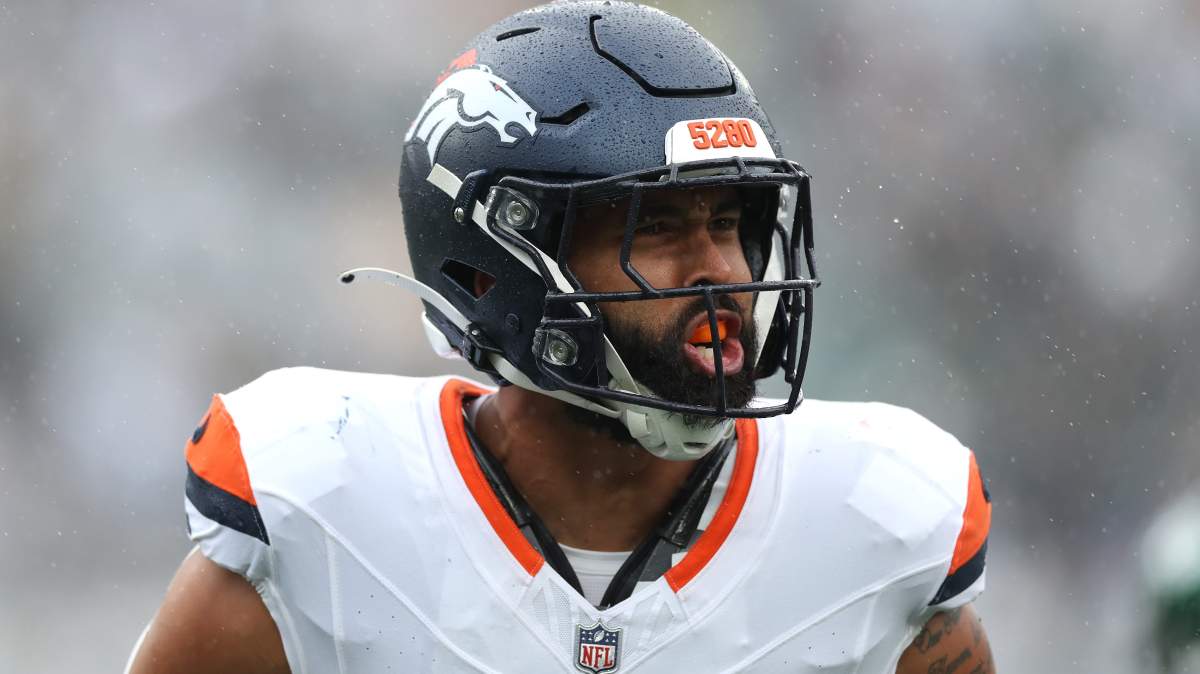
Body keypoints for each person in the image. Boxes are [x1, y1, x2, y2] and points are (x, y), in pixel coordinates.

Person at [127, 2, 995, 672]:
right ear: (498, 262)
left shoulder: (870, 520)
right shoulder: (322, 505)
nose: (718, 272)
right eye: (656, 228)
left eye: (728, 222)